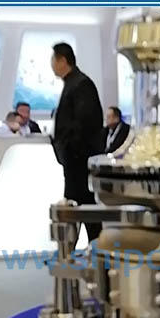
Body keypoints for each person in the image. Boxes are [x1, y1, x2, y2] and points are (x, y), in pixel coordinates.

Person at [51, 42, 103, 242]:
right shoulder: (73, 83)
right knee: (78, 207)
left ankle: (95, 250)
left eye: (53, 60)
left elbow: (85, 123)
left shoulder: (81, 85)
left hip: (80, 161)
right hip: (74, 161)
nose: (52, 65)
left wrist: (69, 148)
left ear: (62, 60)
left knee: (85, 208)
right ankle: (79, 250)